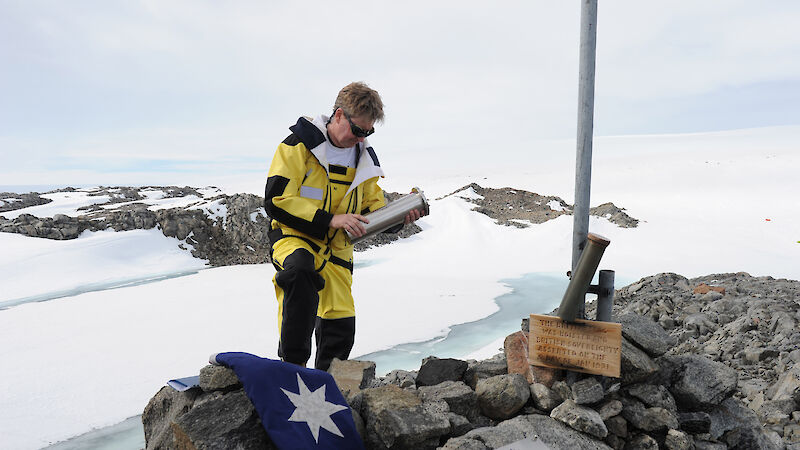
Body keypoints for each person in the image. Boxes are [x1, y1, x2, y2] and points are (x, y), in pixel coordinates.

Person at [264, 82, 424, 371]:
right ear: (338, 115)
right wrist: (330, 219)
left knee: (340, 322)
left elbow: (372, 208)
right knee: (300, 274)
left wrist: (398, 219)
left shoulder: (364, 160)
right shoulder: (297, 147)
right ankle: (292, 369)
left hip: (337, 251)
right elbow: (277, 200)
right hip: (294, 238)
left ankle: (328, 386)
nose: (361, 138)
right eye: (358, 130)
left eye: (368, 132)